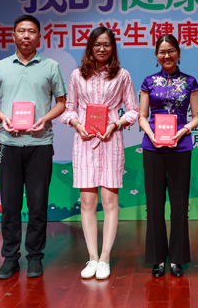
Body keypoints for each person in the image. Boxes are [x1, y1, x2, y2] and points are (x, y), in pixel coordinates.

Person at [0, 14, 67, 279]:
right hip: (8, 144)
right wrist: (3, 118)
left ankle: (35, 257)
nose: (26, 35)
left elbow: (62, 103)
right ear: (14, 36)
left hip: (40, 143)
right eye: (22, 31)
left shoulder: (51, 66)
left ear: (39, 36)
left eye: (31, 31)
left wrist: (45, 119)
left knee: (38, 204)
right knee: (10, 204)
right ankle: (10, 258)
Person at [59, 27, 139, 279]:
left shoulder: (122, 75)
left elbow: (133, 110)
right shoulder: (77, 75)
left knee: (110, 202)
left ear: (113, 48)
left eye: (106, 44)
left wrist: (115, 124)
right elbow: (69, 109)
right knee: (87, 202)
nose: (102, 49)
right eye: (97, 44)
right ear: (90, 47)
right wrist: (77, 124)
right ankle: (92, 258)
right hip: (84, 141)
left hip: (111, 140)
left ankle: (105, 258)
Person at [139, 34, 198, 278]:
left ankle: (177, 258)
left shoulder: (190, 81)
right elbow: (142, 116)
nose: (167, 55)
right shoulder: (148, 81)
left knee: (179, 205)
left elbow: (197, 116)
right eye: (162, 52)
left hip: (180, 147)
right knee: (154, 205)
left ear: (178, 53)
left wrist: (183, 130)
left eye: (171, 51)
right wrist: (151, 134)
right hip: (153, 147)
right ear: (156, 55)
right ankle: (157, 259)